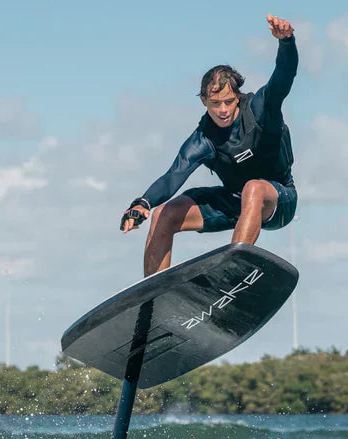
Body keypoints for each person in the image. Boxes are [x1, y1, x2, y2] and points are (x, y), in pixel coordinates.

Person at [120, 14, 298, 277]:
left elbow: (284, 75)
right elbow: (173, 176)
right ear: (204, 101)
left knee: (253, 188)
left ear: (237, 97)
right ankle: (154, 295)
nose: (223, 110)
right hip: (235, 202)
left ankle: (231, 272)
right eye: (215, 104)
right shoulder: (204, 138)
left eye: (228, 101)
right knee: (164, 214)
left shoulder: (260, 110)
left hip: (279, 199)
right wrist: (143, 203)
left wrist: (287, 42)